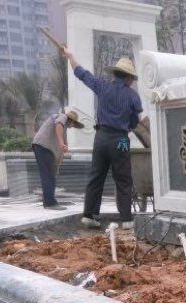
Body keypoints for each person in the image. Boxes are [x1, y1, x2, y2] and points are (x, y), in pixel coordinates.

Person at [62, 47, 142, 229]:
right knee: (123, 178)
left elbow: (81, 74)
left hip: (101, 138)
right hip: (121, 140)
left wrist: (70, 56)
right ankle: (126, 219)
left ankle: (89, 215)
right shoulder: (132, 96)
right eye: (132, 78)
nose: (132, 81)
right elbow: (134, 122)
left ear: (115, 74)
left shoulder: (103, 86)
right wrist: (127, 126)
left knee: (96, 176)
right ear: (128, 78)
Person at [31, 109, 84, 210]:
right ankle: (50, 203)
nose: (72, 126)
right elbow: (59, 125)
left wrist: (57, 167)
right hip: (43, 146)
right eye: (74, 124)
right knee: (48, 176)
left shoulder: (63, 130)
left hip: (42, 147)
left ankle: (48, 201)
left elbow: (61, 152)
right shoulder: (62, 117)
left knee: (50, 175)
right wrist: (61, 143)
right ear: (71, 120)